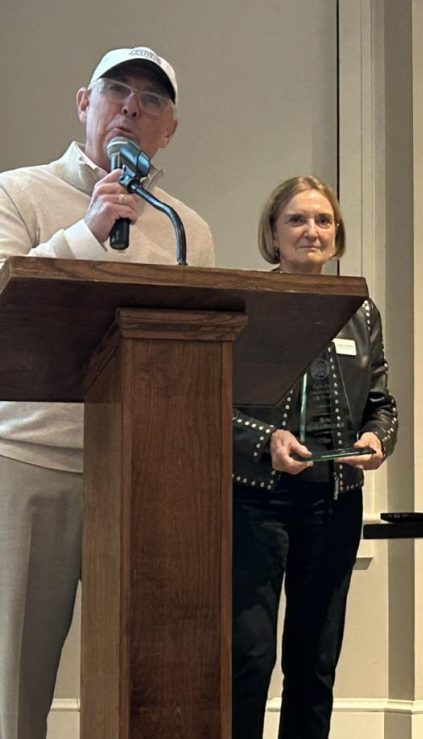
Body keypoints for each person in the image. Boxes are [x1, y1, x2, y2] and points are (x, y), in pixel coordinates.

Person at [0, 46, 215, 739]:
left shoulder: (187, 226)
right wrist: (89, 230)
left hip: (145, 473)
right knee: (14, 675)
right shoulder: (17, 192)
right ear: (83, 104)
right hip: (32, 459)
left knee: (144, 676)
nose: (132, 106)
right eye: (117, 90)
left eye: (151, 100)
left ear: (169, 130)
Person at [231, 176, 397, 739]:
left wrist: (378, 440)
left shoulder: (360, 309)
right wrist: (266, 439)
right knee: (246, 658)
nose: (312, 231)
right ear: (273, 235)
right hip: (255, 502)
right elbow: (210, 401)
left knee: (315, 662)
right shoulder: (247, 300)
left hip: (334, 503)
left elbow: (381, 402)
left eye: (323, 221)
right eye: (297, 220)